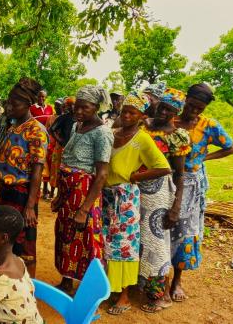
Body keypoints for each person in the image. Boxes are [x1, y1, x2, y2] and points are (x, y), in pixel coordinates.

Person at [103, 92, 171, 315]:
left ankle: (124, 296)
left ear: (142, 115)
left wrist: (135, 177)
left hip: (126, 198)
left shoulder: (142, 139)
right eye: (125, 112)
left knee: (124, 246)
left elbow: (163, 167)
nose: (127, 116)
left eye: (133, 112)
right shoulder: (112, 133)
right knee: (106, 242)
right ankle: (110, 288)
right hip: (106, 196)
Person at [170, 83, 233, 302]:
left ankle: (176, 280)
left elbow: (231, 147)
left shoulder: (209, 125)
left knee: (185, 230)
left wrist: (204, 158)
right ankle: (155, 277)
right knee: (162, 227)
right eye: (191, 105)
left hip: (191, 185)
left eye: (200, 108)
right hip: (165, 181)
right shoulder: (170, 121)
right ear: (185, 99)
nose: (194, 111)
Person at [52, 86, 113, 294]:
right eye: (76, 107)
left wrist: (85, 209)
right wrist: (60, 195)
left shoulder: (102, 133)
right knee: (66, 235)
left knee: (87, 238)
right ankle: (67, 282)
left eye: (84, 108)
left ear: (96, 107)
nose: (78, 112)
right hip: (69, 189)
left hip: (85, 192)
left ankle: (92, 290)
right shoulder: (76, 127)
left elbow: (102, 174)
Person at [138, 88, 191, 313]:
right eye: (162, 107)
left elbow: (179, 174)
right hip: (133, 189)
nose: (164, 112)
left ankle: (162, 294)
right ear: (157, 104)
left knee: (156, 244)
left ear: (175, 113)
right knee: (134, 240)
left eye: (170, 110)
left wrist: (175, 207)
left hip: (159, 195)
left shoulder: (176, 135)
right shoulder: (142, 125)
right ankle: (136, 286)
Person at [0, 77, 48, 278]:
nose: (9, 107)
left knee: (25, 247)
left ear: (28, 105)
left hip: (23, 196)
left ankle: (28, 292)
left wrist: (30, 207)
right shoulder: (12, 126)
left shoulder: (36, 131)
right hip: (6, 193)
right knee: (4, 242)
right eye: (8, 102)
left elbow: (37, 171)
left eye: (14, 104)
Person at [48, 96, 76, 193]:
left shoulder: (79, 119)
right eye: (71, 105)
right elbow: (52, 129)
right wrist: (60, 141)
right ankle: (54, 192)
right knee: (58, 171)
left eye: (74, 105)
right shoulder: (64, 118)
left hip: (74, 150)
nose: (73, 107)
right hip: (62, 149)